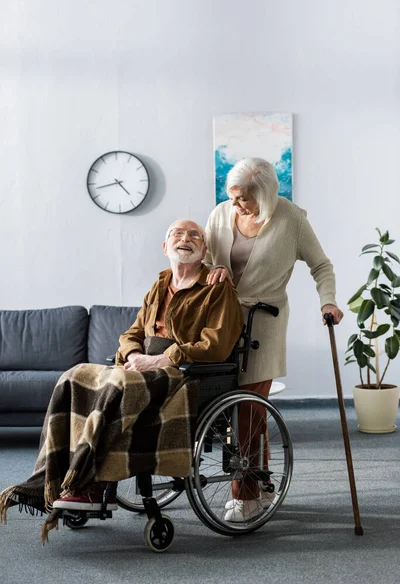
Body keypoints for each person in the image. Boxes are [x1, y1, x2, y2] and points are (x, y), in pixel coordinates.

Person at [0, 219, 243, 540]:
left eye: (194, 235)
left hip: (183, 373)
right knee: (75, 377)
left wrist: (161, 358)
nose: (185, 239)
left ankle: (94, 483)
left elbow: (216, 345)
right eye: (177, 234)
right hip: (140, 366)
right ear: (165, 246)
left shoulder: (216, 287)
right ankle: (60, 478)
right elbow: (132, 333)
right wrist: (131, 356)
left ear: (205, 249)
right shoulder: (160, 286)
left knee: (117, 386)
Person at [204, 157, 344, 522]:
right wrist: (212, 268)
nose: (235, 205)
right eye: (232, 197)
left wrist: (328, 301)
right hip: (220, 321)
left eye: (243, 199)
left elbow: (321, 266)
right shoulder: (220, 214)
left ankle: (246, 494)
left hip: (263, 322)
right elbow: (203, 260)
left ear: (264, 195)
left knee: (249, 407)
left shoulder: (292, 219)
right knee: (227, 406)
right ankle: (263, 483)